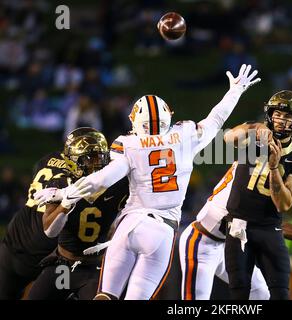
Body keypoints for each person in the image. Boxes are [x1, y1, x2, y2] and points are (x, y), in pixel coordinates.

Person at [54, 64, 261, 300]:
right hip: (161, 230)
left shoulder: (127, 144)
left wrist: (64, 193)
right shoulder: (185, 135)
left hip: (130, 224)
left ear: (134, 120)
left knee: (105, 296)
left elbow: (102, 179)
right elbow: (216, 118)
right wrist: (235, 90)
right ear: (169, 116)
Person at [179, 161, 292, 300]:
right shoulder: (245, 190)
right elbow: (272, 229)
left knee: (261, 293)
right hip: (201, 242)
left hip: (227, 247)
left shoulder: (249, 172)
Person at [223, 90, 292, 300]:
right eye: (277, 114)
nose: (281, 120)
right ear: (269, 114)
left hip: (269, 228)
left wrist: (274, 168)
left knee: (281, 294)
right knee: (239, 296)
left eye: (287, 116)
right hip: (239, 226)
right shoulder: (254, 136)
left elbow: (285, 204)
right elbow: (228, 138)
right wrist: (254, 127)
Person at [26, 127, 129, 300]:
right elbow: (50, 231)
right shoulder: (61, 183)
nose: (97, 164)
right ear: (73, 161)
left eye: (100, 157)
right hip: (64, 268)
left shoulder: (117, 185)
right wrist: (66, 202)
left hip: (94, 269)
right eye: (90, 159)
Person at [0, 148, 68, 299]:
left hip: (15, 240)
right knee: (64, 290)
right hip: (52, 256)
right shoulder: (81, 176)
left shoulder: (48, 158)